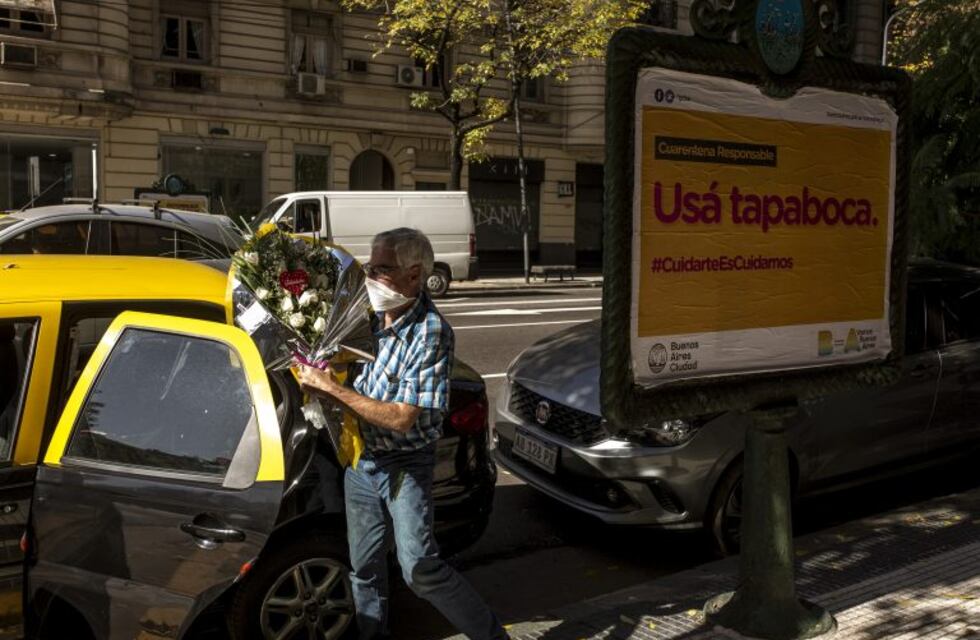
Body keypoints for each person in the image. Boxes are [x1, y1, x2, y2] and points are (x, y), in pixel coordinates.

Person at [294, 228, 508, 640]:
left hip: (404, 466)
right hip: (362, 462)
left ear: (414, 275)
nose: (370, 276)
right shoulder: (366, 315)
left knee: (420, 568)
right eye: (369, 265)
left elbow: (401, 418)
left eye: (382, 269)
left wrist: (332, 389)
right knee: (365, 569)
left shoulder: (430, 333)